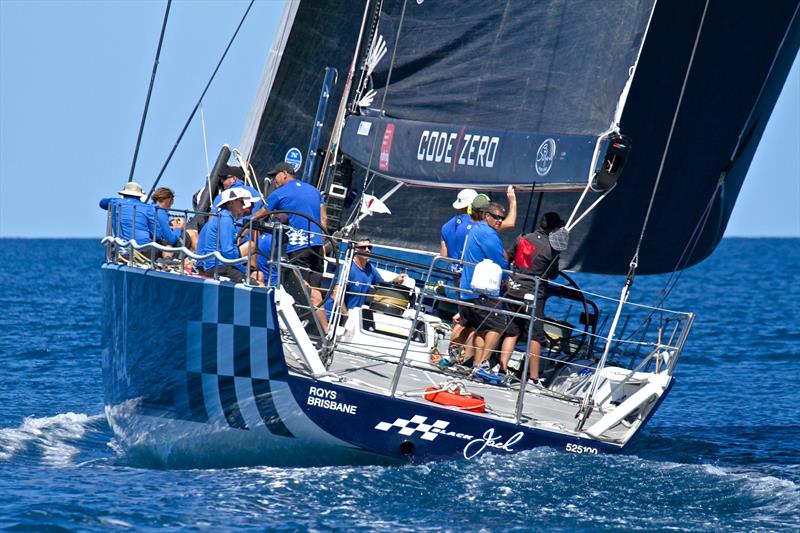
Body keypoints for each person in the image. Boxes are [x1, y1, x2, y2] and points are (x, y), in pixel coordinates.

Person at [498, 212, 565, 386]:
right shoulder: (552, 248)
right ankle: (534, 379)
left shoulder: (522, 238)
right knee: (535, 336)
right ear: (553, 228)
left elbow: (507, 256)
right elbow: (553, 274)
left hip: (513, 289)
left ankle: (502, 369)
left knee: (512, 331)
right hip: (533, 294)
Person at [252, 163, 327, 288]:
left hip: (297, 248)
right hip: (317, 247)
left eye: (275, 175)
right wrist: (321, 240)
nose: (273, 180)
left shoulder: (279, 193)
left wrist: (242, 229)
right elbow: (324, 218)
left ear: (285, 174)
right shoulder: (315, 191)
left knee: (299, 290)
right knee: (315, 292)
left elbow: (259, 215)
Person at [458, 201, 509, 371]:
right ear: (487, 216)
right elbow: (499, 260)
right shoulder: (489, 234)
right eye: (496, 217)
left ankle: (476, 366)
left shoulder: (475, 228)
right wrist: (507, 277)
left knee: (481, 328)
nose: (500, 221)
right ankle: (485, 363)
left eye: (502, 218)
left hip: (467, 289)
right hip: (482, 290)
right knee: (498, 325)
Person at [321, 238, 406, 330]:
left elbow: (382, 286)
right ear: (356, 249)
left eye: (369, 247)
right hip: (334, 317)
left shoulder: (370, 269)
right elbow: (336, 295)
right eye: (363, 247)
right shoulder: (347, 267)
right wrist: (346, 315)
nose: (367, 250)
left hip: (351, 317)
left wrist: (396, 280)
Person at [195, 188, 251, 282]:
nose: (244, 205)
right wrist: (244, 269)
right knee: (256, 284)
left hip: (210, 266)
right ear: (231, 202)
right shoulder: (226, 219)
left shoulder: (219, 217)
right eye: (241, 201)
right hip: (218, 268)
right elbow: (228, 252)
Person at [440, 189, 477, 259]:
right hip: (470, 269)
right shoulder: (478, 225)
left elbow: (443, 256)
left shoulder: (446, 226)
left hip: (452, 269)